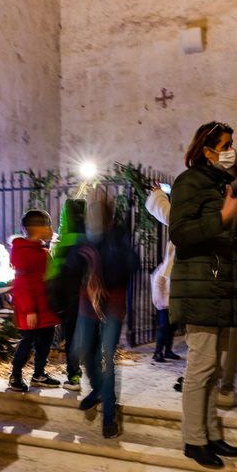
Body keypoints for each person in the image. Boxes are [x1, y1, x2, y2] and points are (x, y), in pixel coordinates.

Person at [169, 121, 237, 468]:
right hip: (199, 286)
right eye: (225, 144)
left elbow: (219, 231)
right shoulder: (188, 182)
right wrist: (223, 217)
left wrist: (236, 221)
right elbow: (180, 233)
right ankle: (194, 439)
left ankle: (211, 433)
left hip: (220, 284)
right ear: (206, 150)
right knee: (201, 366)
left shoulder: (220, 183)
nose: (230, 149)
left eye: (232, 143)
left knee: (215, 369)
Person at [68, 187, 137, 438]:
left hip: (112, 303)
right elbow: (72, 265)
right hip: (88, 302)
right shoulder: (83, 236)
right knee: (83, 350)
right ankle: (97, 389)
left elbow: (130, 265)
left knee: (106, 356)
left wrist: (102, 276)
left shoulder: (118, 235)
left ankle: (109, 414)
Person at [8, 209, 62, 392]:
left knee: (45, 342)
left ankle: (39, 373)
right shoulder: (23, 251)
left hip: (45, 307)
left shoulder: (42, 251)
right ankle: (15, 375)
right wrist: (29, 309)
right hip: (32, 309)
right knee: (27, 342)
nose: (51, 228)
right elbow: (21, 284)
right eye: (47, 224)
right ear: (37, 228)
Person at [47, 198, 87, 390]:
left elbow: (55, 275)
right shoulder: (92, 240)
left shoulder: (63, 244)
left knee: (72, 339)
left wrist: (56, 303)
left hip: (71, 301)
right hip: (90, 300)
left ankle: (74, 376)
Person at [145, 184, 181, 363]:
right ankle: (158, 351)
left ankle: (167, 350)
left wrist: (159, 194)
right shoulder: (167, 265)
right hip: (165, 293)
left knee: (171, 325)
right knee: (164, 325)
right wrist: (158, 194)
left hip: (172, 289)